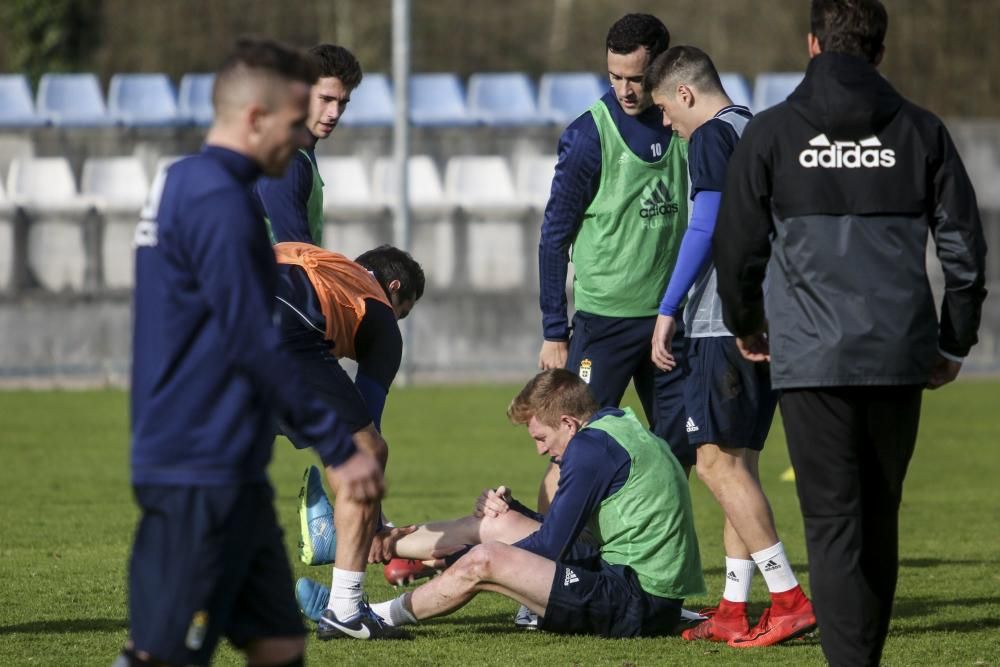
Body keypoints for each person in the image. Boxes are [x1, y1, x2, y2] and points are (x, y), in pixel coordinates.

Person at [713, 1, 988, 664]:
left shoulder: (773, 133)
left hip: (810, 358)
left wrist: (747, 323)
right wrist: (953, 339)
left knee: (835, 526)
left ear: (812, 44)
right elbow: (965, 251)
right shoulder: (922, 130)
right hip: (899, 354)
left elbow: (738, 247)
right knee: (879, 516)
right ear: (881, 51)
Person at [120, 38, 385, 667]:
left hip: (229, 465)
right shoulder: (220, 201)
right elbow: (250, 336)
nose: (303, 135)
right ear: (255, 117)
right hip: (197, 465)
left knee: (279, 642)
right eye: (295, 121)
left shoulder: (184, 181)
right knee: (161, 656)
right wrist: (338, 446)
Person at [296, 369, 705, 638]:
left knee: (484, 560)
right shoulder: (610, 426)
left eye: (541, 438)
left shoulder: (588, 451)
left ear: (567, 423)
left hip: (639, 602)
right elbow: (562, 533)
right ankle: (362, 541)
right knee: (496, 522)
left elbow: (549, 548)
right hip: (621, 574)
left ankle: (373, 617)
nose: (541, 452)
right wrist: (516, 514)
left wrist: (456, 558)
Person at [644, 46, 816, 648]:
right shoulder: (757, 128)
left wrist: (667, 309)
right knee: (737, 466)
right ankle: (731, 607)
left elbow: (705, 223)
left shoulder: (711, 137)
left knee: (715, 464)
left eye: (665, 108)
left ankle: (789, 598)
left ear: (685, 95)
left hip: (722, 324)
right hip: (768, 321)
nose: (665, 122)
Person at [536, 11, 692, 514]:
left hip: (667, 322)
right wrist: (554, 330)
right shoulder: (588, 137)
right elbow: (553, 237)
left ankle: (649, 579)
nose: (626, 89)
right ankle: (539, 577)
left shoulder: (685, 129)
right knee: (571, 454)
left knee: (679, 453)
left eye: (637, 78)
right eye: (615, 77)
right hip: (602, 326)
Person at [269, 241, 425, 639]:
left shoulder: (324, 263)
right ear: (392, 288)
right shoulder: (377, 309)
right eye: (403, 312)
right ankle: (346, 607)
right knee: (367, 452)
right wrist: (375, 528)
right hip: (279, 323)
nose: (397, 320)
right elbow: (360, 443)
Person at [253, 43, 361, 245]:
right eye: (326, 99)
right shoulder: (287, 161)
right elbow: (297, 260)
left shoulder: (297, 153)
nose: (334, 113)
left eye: (342, 102)